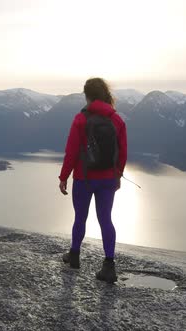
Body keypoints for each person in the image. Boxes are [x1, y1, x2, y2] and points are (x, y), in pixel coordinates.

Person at [58, 77, 127, 283]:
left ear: (87, 95)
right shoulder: (117, 120)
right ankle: (108, 266)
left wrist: (64, 177)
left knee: (80, 217)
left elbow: (71, 151)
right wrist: (118, 175)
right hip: (107, 180)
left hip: (84, 178)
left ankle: (74, 256)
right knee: (106, 219)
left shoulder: (81, 119)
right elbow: (122, 153)